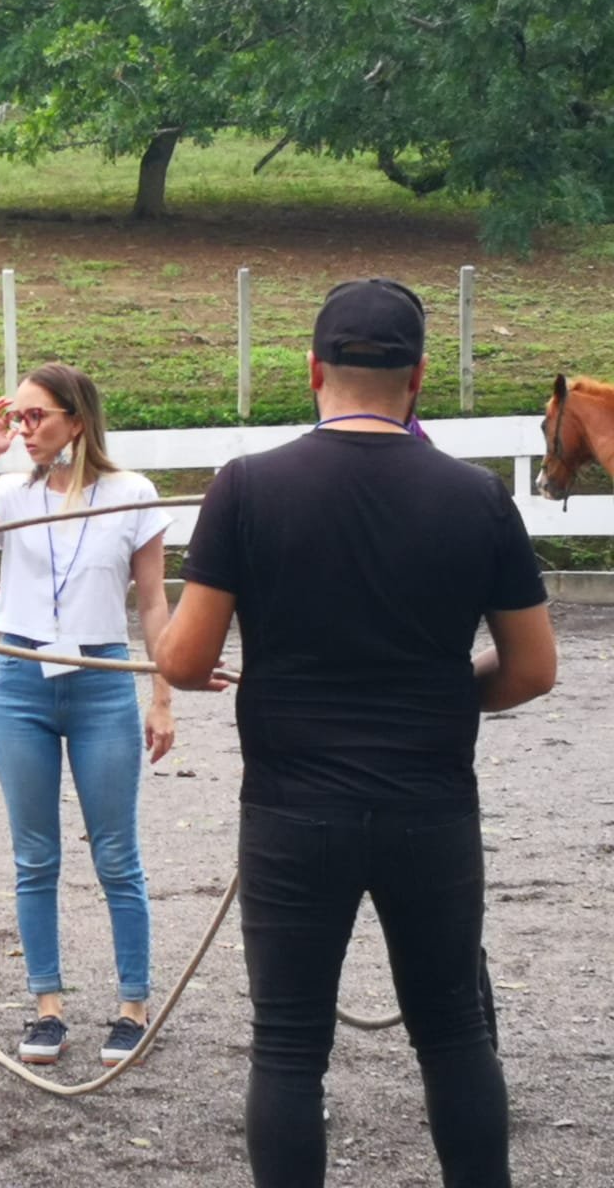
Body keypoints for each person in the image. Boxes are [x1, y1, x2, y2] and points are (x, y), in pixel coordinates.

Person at [156, 277, 557, 1188]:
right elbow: (533, 669)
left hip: (293, 810)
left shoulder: (247, 487)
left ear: (313, 371)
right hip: (430, 806)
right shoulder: (477, 497)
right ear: (419, 378)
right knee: (454, 1032)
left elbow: (184, 660)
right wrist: (442, 700)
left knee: (288, 1045)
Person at [0, 361, 177, 1068]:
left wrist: (162, 696)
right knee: (35, 855)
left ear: (77, 420)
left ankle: (133, 1007)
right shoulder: (13, 494)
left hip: (103, 681)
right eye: (16, 416)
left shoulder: (131, 494)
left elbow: (153, 601)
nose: (24, 428)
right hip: (20, 682)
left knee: (116, 853)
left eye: (35, 416)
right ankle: (46, 1006)